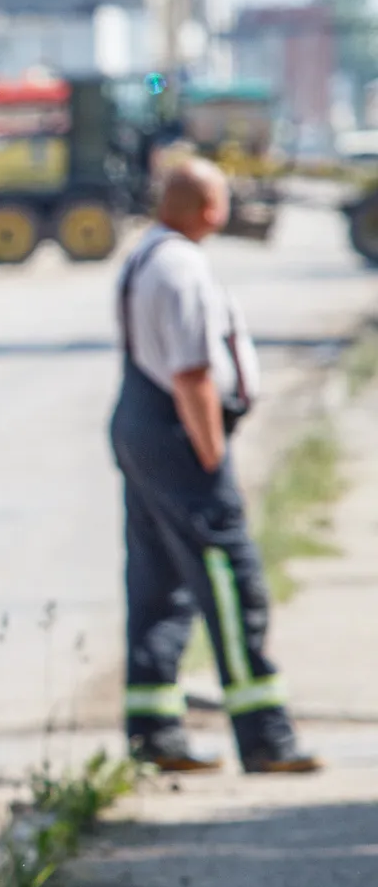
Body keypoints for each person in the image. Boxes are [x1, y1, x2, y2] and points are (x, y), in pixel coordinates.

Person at [110, 158, 318, 774]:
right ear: (207, 208)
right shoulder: (180, 267)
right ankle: (264, 736)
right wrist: (211, 454)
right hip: (179, 435)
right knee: (231, 580)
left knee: (159, 584)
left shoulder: (150, 253)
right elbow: (193, 372)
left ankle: (153, 732)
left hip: (146, 426)